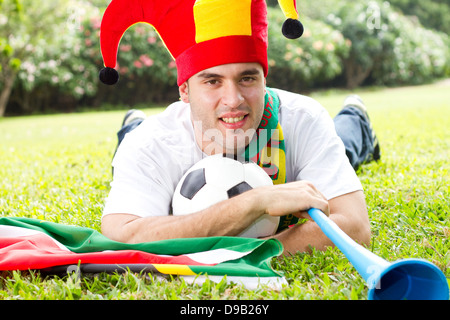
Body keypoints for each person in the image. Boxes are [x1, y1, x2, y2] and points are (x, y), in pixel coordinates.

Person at [98, 0, 378, 255]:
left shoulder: (302, 118)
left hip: (301, 130)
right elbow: (124, 238)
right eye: (212, 81)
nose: (234, 100)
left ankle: (356, 118)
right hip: (149, 135)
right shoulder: (149, 144)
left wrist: (250, 253)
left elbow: (354, 225)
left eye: (247, 78)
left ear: (264, 80)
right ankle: (132, 123)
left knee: (345, 144)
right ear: (184, 90)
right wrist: (253, 202)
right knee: (131, 139)